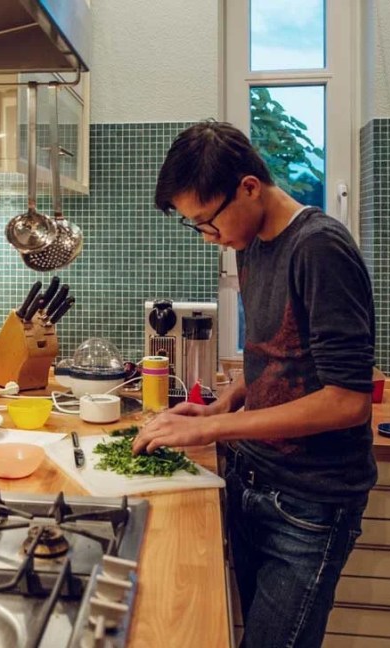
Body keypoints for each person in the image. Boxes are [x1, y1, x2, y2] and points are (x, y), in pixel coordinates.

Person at [135, 120, 377, 648]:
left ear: (248, 187)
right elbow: (274, 355)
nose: (208, 237)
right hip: (254, 483)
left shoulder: (320, 248)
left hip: (310, 504)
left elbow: (348, 401)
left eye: (207, 221)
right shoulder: (251, 242)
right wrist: (222, 405)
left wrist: (219, 427)